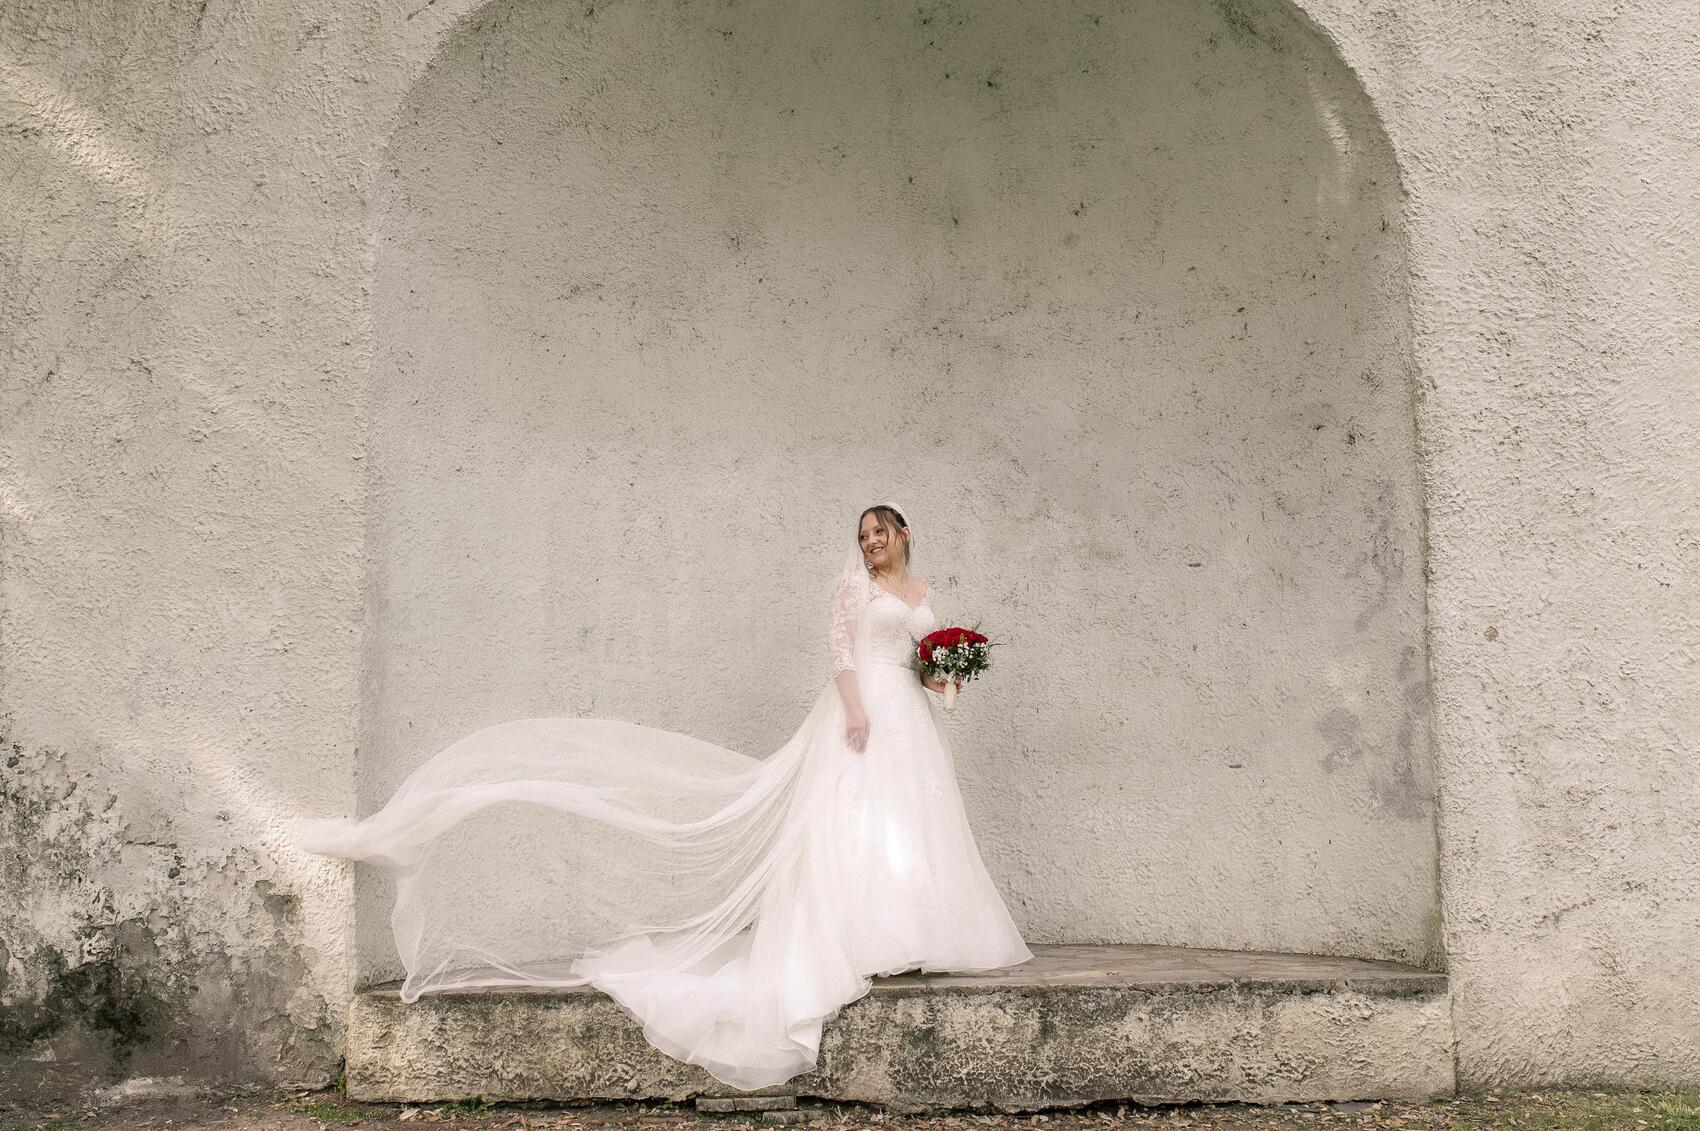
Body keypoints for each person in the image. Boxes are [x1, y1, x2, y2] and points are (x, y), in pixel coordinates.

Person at [288, 501, 1032, 1090]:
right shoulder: (854, 590)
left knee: (912, 823)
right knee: (852, 820)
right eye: (862, 533)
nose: (870, 541)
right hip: (862, 715)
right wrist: (857, 709)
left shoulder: (924, 594)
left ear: (905, 534)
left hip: (912, 723)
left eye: (880, 531)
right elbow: (843, 654)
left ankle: (914, 935)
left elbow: (923, 669)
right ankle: (863, 938)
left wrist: (949, 676)